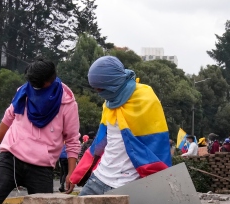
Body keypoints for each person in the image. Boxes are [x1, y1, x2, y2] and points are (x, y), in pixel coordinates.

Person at [0, 58, 81, 204]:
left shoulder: (67, 103)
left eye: (37, 85)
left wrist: (71, 172)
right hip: (11, 159)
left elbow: (72, 140)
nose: (33, 88)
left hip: (41, 167)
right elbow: (8, 118)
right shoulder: (23, 92)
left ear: (49, 82)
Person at [70, 56, 171, 195]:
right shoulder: (109, 102)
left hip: (130, 186)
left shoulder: (146, 98)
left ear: (112, 83)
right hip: (98, 179)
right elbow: (101, 142)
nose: (99, 93)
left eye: (101, 89)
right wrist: (77, 174)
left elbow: (158, 144)